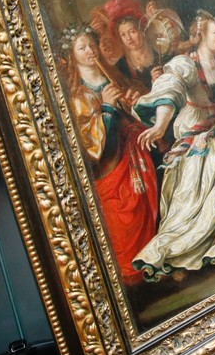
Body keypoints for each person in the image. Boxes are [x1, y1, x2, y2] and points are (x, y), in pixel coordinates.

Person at [132, 10, 215, 281]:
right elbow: (168, 92)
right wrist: (160, 126)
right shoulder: (184, 64)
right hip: (196, 139)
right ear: (200, 36)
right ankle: (171, 256)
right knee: (192, 202)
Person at [61, 25, 158, 286]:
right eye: (82, 48)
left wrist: (134, 98)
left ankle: (155, 262)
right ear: (73, 56)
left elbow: (136, 106)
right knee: (121, 212)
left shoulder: (112, 75)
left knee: (148, 203)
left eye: (91, 45)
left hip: (135, 155)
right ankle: (131, 273)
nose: (90, 51)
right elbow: (92, 146)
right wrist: (106, 106)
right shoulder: (78, 94)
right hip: (111, 165)